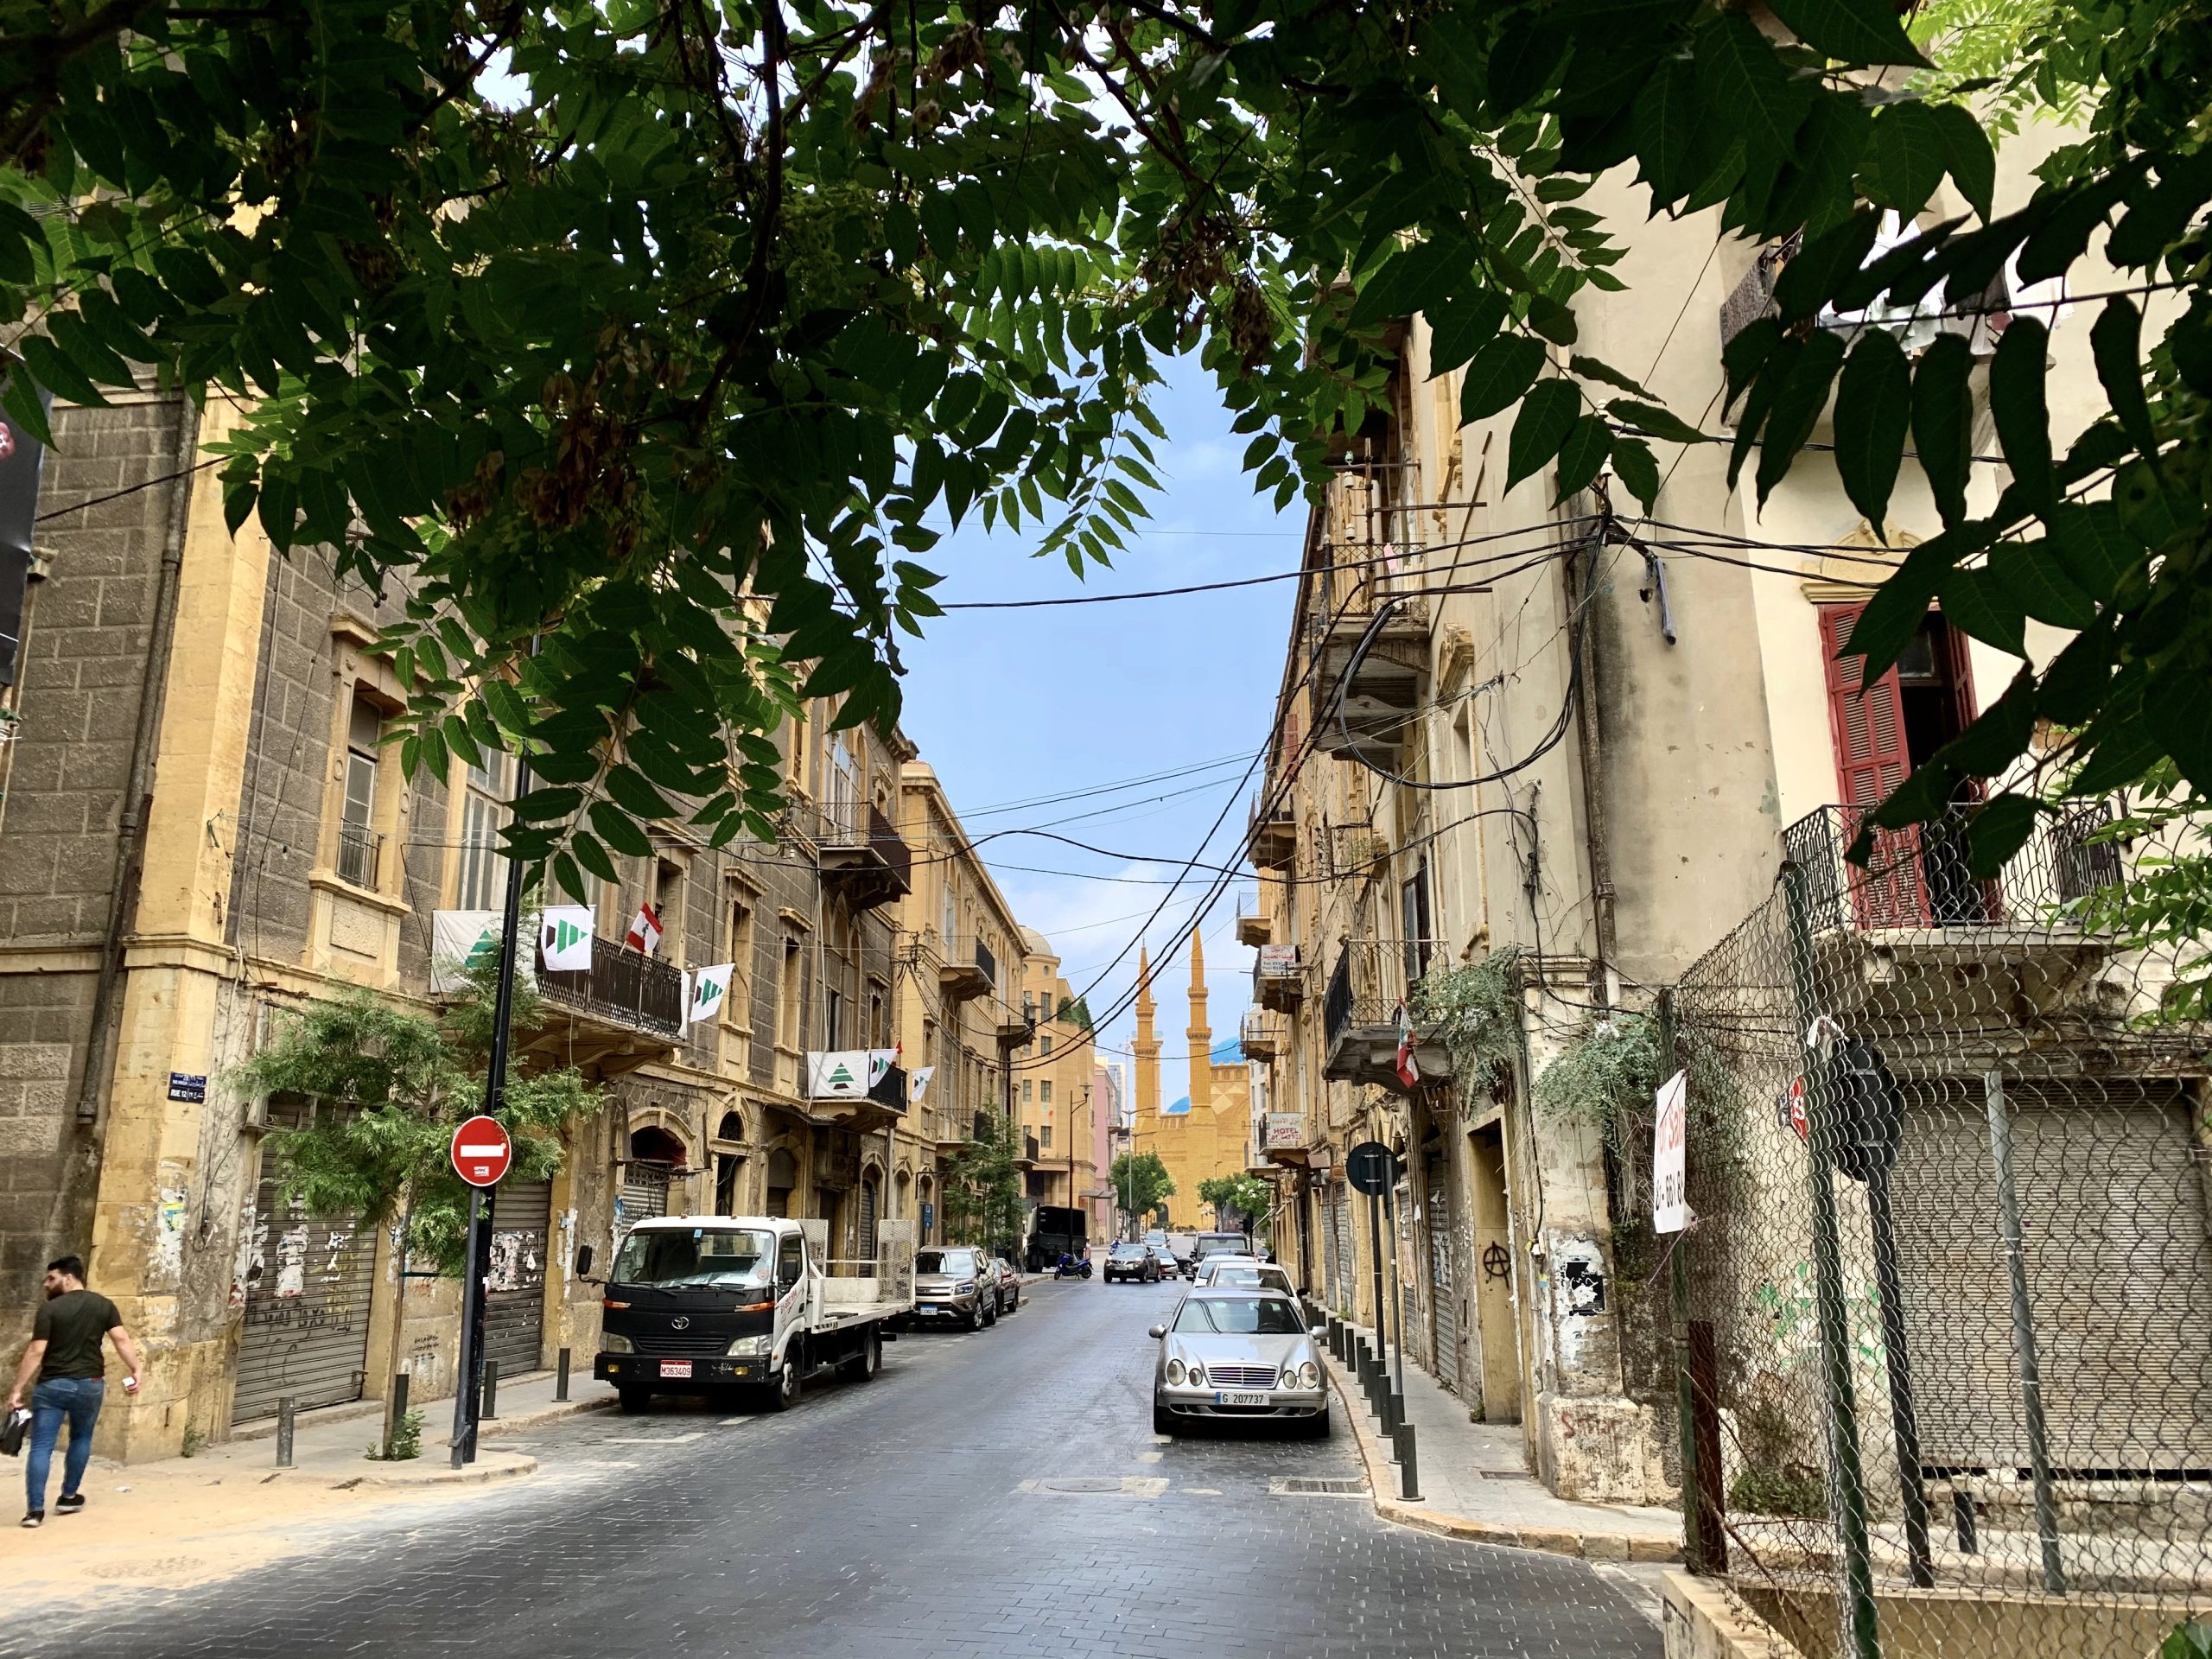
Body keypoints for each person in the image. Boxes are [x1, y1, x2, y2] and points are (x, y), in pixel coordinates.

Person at [9, 1255, 143, 1529]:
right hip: (90, 1384)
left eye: (52, 1278)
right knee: (81, 1438)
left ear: (68, 1278)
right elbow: (121, 1339)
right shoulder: (103, 1305)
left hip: (52, 1385)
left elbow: (36, 1351)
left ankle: (34, 1511)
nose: (46, 1284)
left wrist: (17, 1389)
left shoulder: (50, 1310)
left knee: (41, 1446)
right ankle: (69, 1497)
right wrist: (136, 1368)